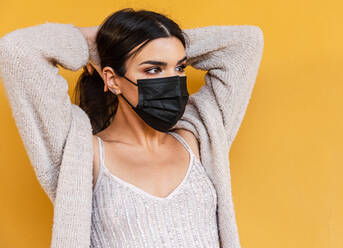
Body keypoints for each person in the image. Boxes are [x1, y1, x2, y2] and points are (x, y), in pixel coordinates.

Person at [0, 7, 264, 248]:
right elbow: (17, 51)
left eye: (180, 67)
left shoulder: (198, 136)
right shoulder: (81, 153)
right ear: (112, 80)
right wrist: (95, 41)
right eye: (153, 70)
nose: (172, 80)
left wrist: (157, 42)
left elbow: (245, 44)